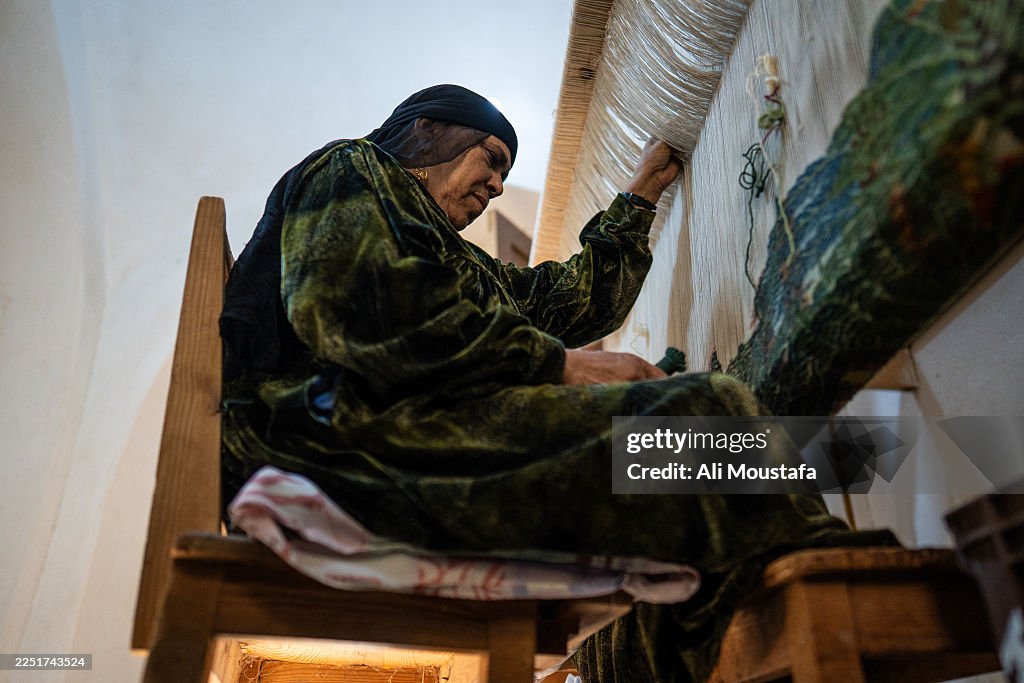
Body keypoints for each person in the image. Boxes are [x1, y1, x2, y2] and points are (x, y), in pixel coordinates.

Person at [220, 84, 893, 682]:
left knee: (680, 500)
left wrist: (641, 194)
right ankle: (845, 596)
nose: (496, 187)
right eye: (491, 159)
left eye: (505, 175)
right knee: (702, 413)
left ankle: (733, 622)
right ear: (428, 132)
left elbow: (567, 301)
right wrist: (561, 367)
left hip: (404, 445)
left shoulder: (454, 260)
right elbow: (357, 308)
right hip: (346, 445)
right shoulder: (353, 169)